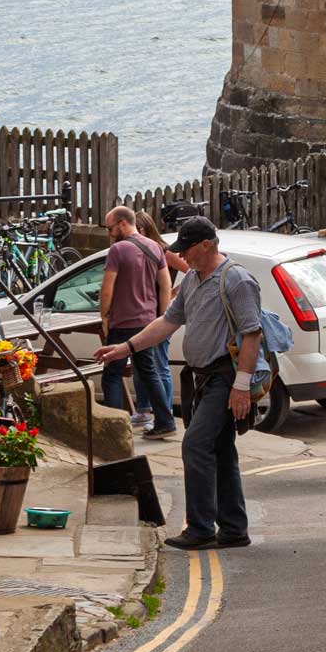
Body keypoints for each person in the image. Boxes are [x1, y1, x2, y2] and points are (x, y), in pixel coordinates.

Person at [96, 215, 259, 550]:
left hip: (225, 378)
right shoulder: (195, 280)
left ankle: (200, 528)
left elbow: (252, 334)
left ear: (206, 245)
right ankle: (233, 529)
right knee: (222, 451)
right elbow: (167, 322)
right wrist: (124, 348)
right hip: (202, 378)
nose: (182, 256)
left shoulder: (236, 280)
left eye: (188, 249)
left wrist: (241, 386)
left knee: (195, 445)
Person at [99, 205, 175, 438]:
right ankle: (165, 422)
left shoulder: (118, 250)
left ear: (123, 223)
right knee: (149, 371)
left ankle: (114, 430)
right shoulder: (155, 246)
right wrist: (162, 318)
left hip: (123, 323)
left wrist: (104, 316)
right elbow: (166, 286)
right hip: (148, 322)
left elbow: (107, 288)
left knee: (112, 374)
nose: (109, 233)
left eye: (111, 228)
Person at [132, 209, 180, 433]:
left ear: (142, 230)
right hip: (147, 315)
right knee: (143, 366)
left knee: (159, 366)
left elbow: (192, 270)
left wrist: (171, 293)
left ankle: (165, 414)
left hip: (161, 315)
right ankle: (144, 410)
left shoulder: (162, 250)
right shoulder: (143, 251)